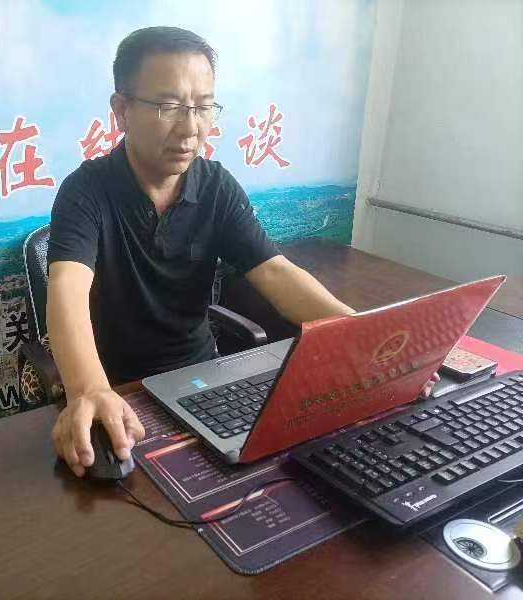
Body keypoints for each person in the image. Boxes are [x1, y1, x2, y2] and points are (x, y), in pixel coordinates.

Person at [46, 26, 434, 478]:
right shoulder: (86, 191)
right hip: (118, 389)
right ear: (121, 111)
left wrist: (366, 338)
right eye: (168, 106)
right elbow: (68, 288)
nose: (191, 128)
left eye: (203, 107)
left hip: (200, 379)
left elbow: (276, 274)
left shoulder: (216, 186)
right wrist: (88, 389)